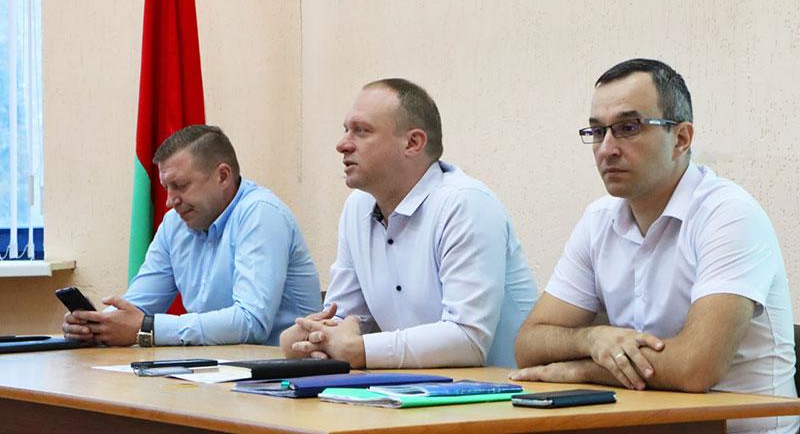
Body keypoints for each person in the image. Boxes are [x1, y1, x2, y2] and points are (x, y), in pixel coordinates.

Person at [511, 59, 797, 434]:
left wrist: (580, 370)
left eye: (628, 128)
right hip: (645, 424)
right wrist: (592, 338)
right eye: (597, 131)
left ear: (681, 139)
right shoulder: (598, 220)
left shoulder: (729, 214)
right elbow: (530, 343)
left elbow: (695, 367)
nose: (606, 149)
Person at [280, 78, 537, 368]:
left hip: (505, 391)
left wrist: (360, 351)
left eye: (362, 131)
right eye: (346, 130)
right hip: (415, 388)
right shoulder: (357, 206)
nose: (342, 145)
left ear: (413, 143)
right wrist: (308, 339)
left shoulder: (465, 203)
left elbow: (468, 340)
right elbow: (345, 321)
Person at [62, 125, 322, 347]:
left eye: (180, 186)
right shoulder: (174, 224)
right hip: (215, 370)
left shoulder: (260, 213)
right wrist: (98, 325)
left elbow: (251, 322)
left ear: (222, 176)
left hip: (281, 374)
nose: (169, 201)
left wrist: (149, 328)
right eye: (166, 188)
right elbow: (139, 305)